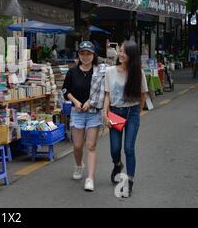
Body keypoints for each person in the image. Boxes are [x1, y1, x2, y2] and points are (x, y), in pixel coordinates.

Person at [103, 40, 148, 197]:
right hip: (115, 113)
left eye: (125, 52)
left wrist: (138, 112)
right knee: (115, 149)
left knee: (129, 148)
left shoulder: (138, 73)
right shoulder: (110, 71)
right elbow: (107, 95)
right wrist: (105, 114)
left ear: (132, 56)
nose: (121, 54)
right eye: (120, 51)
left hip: (133, 113)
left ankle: (129, 183)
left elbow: (143, 95)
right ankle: (117, 164)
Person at [62, 41, 107, 192]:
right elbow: (65, 90)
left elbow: (102, 91)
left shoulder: (99, 72)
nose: (86, 57)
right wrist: (75, 102)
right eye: (83, 53)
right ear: (79, 55)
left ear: (94, 55)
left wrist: (89, 102)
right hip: (77, 112)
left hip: (93, 112)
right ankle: (78, 165)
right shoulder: (72, 72)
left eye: (89, 53)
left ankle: (90, 178)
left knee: (91, 146)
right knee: (77, 146)